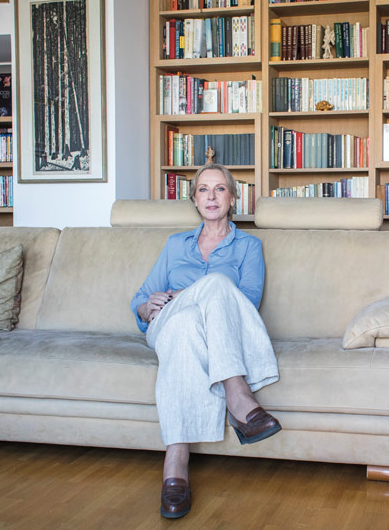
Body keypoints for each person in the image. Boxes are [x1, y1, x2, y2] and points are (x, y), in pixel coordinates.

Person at [130, 163, 281, 519]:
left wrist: (186, 296)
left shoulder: (249, 246)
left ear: (232, 199)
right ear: (195, 200)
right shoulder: (174, 244)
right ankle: (237, 394)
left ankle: (176, 462)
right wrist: (146, 306)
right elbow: (140, 297)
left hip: (196, 327)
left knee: (192, 316)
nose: (211, 196)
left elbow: (246, 304)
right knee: (203, 295)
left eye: (220, 189)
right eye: (203, 189)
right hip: (164, 322)